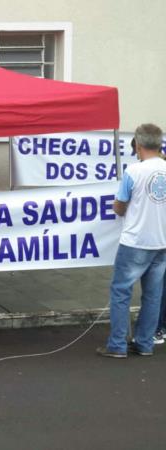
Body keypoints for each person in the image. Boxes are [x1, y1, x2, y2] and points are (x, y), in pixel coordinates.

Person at [97, 124, 166, 358]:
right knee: (153, 296)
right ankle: (145, 343)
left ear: (137, 144)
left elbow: (119, 205)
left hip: (135, 241)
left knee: (120, 291)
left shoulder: (134, 171)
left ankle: (117, 344)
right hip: (161, 241)